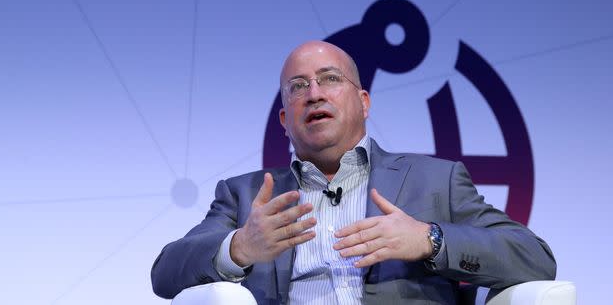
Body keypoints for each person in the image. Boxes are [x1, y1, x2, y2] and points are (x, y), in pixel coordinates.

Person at [151, 41, 556, 304]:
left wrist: (429, 240)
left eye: (330, 79)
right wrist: (239, 246)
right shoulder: (246, 194)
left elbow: (536, 258)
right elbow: (165, 273)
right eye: (297, 87)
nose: (314, 94)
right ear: (283, 119)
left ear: (363, 102)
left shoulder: (437, 181)